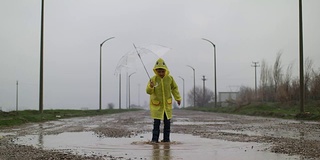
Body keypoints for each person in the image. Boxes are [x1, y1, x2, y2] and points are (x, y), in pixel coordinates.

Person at [146, 58, 181, 143]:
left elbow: (174, 88)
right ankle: (154, 140)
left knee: (167, 123)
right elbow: (148, 91)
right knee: (156, 123)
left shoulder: (170, 78)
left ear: (165, 70)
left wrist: (178, 98)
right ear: (156, 71)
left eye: (162, 71)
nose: (161, 73)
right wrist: (151, 86)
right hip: (157, 105)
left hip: (167, 105)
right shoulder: (153, 79)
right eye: (159, 71)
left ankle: (166, 139)